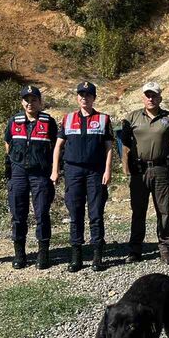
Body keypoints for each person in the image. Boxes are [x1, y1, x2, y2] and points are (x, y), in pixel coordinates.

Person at [51, 81, 114, 272]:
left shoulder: (103, 119)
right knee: (75, 214)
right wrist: (55, 170)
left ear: (94, 98)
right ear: (77, 97)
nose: (84, 98)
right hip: (73, 171)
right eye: (81, 95)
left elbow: (109, 147)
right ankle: (76, 257)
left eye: (88, 95)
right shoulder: (67, 118)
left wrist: (108, 170)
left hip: (95, 172)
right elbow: (58, 146)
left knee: (96, 214)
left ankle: (97, 257)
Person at [121, 81, 169, 264]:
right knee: (138, 211)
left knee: (163, 211)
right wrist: (126, 167)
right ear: (143, 97)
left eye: (154, 95)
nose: (150, 98)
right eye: (147, 95)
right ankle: (135, 250)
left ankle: (165, 248)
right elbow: (123, 144)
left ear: (160, 97)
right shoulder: (131, 118)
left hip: (161, 169)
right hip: (139, 172)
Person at [4, 85, 57, 270]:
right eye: (26, 100)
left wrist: (54, 171)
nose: (30, 103)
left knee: (42, 213)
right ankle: (20, 254)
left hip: (40, 174)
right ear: (22, 102)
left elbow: (56, 147)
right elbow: (7, 144)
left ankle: (43, 253)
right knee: (18, 215)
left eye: (34, 99)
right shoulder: (13, 121)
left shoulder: (49, 122)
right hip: (18, 174)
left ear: (39, 102)